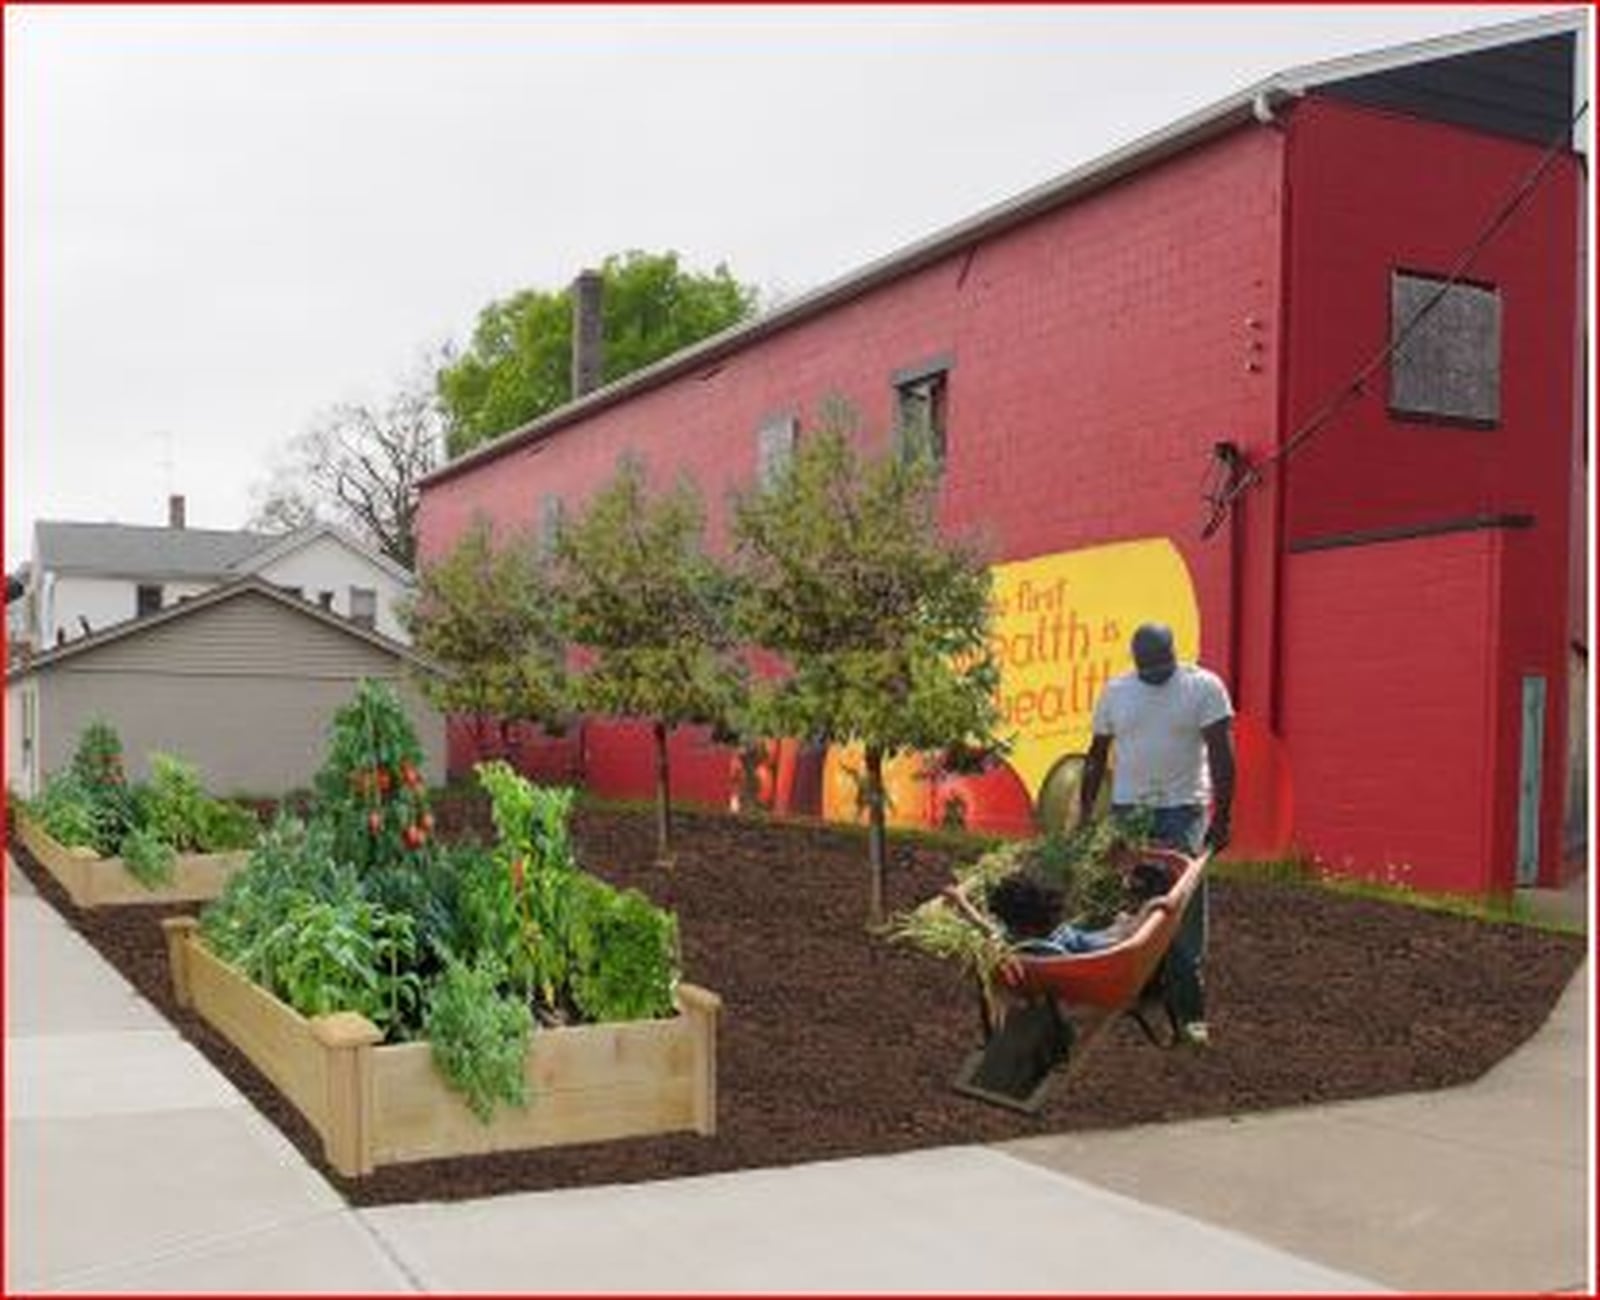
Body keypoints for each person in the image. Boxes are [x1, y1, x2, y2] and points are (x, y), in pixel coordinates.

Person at [1078, 622, 1234, 1047]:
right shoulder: (1117, 691)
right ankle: (1123, 994)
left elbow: (1222, 752)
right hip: (1129, 813)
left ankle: (1190, 1020)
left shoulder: (1202, 687)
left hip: (1183, 812)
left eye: (1161, 667)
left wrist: (1222, 819)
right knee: (1118, 904)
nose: (1155, 676)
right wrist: (1084, 815)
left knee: (1180, 915)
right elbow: (1096, 756)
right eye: (1147, 670)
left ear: (1174, 654)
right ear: (1136, 662)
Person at [942, 872, 1168, 979]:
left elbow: (984, 926)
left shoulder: (1015, 937)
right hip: (1086, 953)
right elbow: (1122, 945)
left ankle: (1128, 921)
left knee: (1117, 927)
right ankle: (1137, 916)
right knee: (1120, 931)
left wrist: (961, 902)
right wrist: (1146, 913)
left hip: (1080, 942)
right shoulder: (1051, 951)